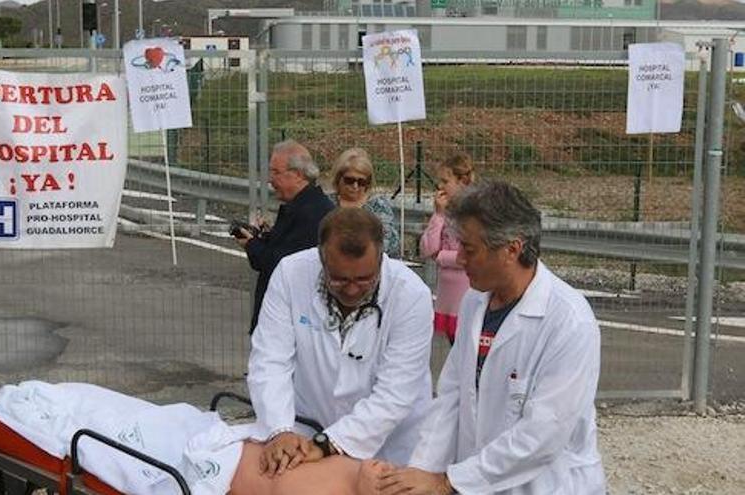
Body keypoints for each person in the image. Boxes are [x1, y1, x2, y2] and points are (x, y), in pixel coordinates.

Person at [377, 180, 606, 495]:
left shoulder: (569, 322)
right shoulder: (474, 301)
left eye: (469, 250)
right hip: (478, 482)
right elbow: (451, 397)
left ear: (512, 249)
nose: (459, 260)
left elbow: (543, 434)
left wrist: (448, 482)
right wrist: (421, 471)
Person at [247, 207, 434, 477]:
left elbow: (394, 394)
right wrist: (279, 430)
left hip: (390, 445)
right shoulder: (290, 274)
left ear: (381, 258)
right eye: (339, 278)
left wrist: (327, 443)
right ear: (321, 257)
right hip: (306, 433)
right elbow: (270, 361)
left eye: (364, 279)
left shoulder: (411, 295)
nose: (351, 288)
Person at [235, 140, 334, 333]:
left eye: (275, 172)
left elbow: (281, 264)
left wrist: (252, 245)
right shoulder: (305, 206)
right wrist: (266, 237)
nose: (270, 180)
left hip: (290, 321)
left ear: (297, 175)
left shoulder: (311, 213)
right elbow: (284, 249)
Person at [419, 152, 475, 345]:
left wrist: (441, 256)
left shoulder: (473, 214)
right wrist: (438, 215)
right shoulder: (445, 213)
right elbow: (427, 249)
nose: (440, 187)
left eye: (445, 181)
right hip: (447, 295)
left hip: (466, 293)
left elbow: (467, 257)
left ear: (462, 181)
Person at [329, 148, 400, 257]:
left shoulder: (378, 206)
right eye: (349, 180)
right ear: (338, 178)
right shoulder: (327, 203)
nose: (355, 186)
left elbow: (387, 244)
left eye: (362, 182)